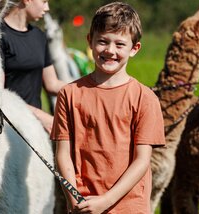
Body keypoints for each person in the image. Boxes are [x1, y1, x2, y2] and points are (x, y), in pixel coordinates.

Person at [51, 2, 165, 213]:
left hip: (130, 207)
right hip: (83, 205)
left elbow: (142, 160)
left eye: (120, 44)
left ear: (134, 49)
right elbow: (63, 153)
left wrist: (106, 201)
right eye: (102, 41)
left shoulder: (145, 98)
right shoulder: (69, 93)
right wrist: (72, 197)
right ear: (90, 41)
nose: (110, 51)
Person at [0, 0, 65, 134]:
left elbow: (52, 84)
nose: (47, 8)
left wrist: (86, 90)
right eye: (44, 1)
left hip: (33, 127)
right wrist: (40, 116)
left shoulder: (39, 36)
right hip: (6, 127)